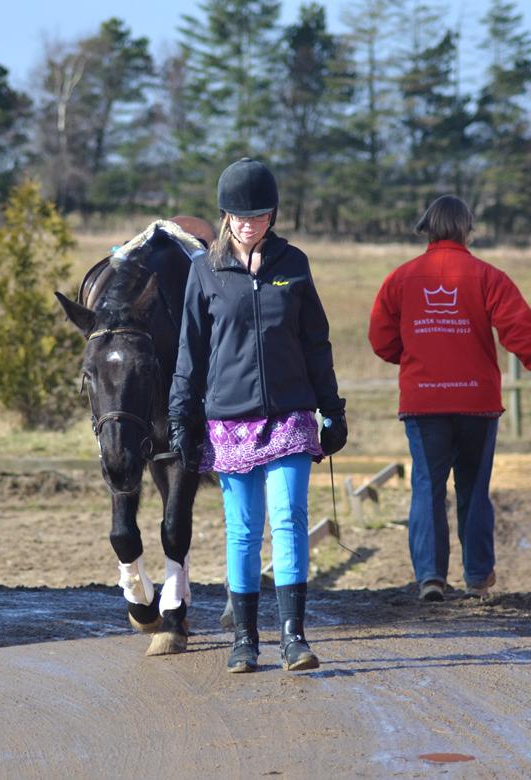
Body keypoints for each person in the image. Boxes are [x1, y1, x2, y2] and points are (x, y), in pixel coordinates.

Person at [167, 157, 347, 673]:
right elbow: (190, 354)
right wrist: (182, 418)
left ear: (274, 214)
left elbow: (317, 343)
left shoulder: (294, 264)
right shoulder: (205, 271)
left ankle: (294, 637)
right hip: (229, 424)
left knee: (289, 520)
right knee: (243, 530)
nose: (249, 224)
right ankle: (245, 639)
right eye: (239, 215)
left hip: (290, 415)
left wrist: (332, 411)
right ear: (225, 215)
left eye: (260, 215)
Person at [367, 195, 531, 602]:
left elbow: (380, 340)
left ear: (428, 227)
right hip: (478, 402)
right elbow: (518, 332)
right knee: (474, 489)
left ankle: (430, 578)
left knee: (427, 487)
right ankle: (477, 577)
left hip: (423, 403)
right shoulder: (489, 276)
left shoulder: (399, 279)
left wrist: (412, 357)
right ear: (466, 229)